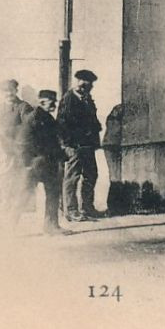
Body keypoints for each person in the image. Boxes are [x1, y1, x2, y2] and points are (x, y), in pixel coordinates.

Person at [57, 69, 103, 223]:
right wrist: (69, 145)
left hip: (87, 145)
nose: (85, 84)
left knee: (91, 175)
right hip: (75, 146)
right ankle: (71, 210)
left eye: (89, 82)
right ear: (77, 81)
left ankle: (87, 207)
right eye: (82, 81)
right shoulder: (68, 99)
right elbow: (62, 124)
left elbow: (93, 122)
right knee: (72, 177)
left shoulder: (88, 99)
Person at [19, 89, 65, 234]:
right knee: (23, 195)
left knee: (53, 193)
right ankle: (7, 226)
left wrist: (62, 156)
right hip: (36, 163)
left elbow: (54, 143)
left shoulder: (48, 118)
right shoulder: (33, 118)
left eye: (55, 101)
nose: (54, 104)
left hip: (48, 163)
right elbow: (24, 142)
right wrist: (27, 164)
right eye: (52, 101)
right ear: (42, 102)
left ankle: (51, 226)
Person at [0, 79, 35, 214]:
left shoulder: (23, 106)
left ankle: (17, 206)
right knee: (2, 178)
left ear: (16, 91)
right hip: (1, 149)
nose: (8, 93)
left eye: (11, 90)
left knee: (17, 178)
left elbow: (28, 128)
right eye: (5, 91)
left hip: (17, 149)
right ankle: (5, 203)